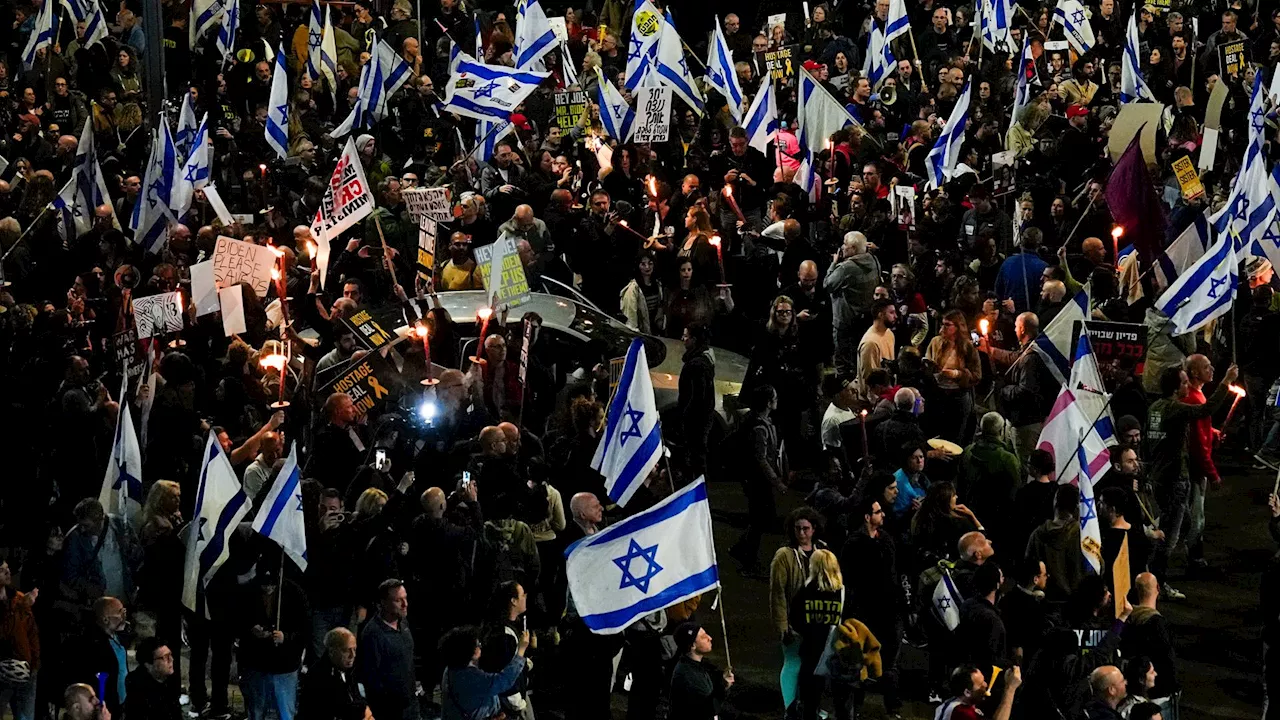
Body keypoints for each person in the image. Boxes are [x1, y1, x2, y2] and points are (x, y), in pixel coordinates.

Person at [729, 385, 787, 574]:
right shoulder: (759, 428)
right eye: (775, 398)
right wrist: (776, 481)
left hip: (756, 479)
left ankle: (741, 548)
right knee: (759, 520)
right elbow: (761, 458)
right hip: (757, 481)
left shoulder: (760, 422)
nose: (777, 401)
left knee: (759, 519)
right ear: (768, 403)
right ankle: (748, 561)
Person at [439, 625, 530, 720]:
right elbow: (503, 681)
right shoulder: (469, 676)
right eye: (477, 645)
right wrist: (521, 650)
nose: (480, 646)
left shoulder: (451, 669)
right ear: (468, 650)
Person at [358, 580, 417, 720]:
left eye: (406, 598)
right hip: (390, 711)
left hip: (411, 705)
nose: (405, 604)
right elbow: (372, 680)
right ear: (383, 603)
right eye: (398, 600)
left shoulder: (403, 622)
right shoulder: (372, 635)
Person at [1121, 573, 1178, 699]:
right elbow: (1168, 661)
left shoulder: (1126, 618)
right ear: (1158, 588)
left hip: (1134, 690)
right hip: (1158, 692)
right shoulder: (1158, 624)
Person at [1025, 485, 1086, 601]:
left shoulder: (1037, 534)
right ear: (1076, 506)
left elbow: (1027, 568)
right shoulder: (1083, 536)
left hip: (1044, 600)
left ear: (1055, 502)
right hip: (1076, 602)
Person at [299, 628, 368, 720]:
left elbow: (355, 698)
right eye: (346, 650)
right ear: (332, 651)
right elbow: (339, 709)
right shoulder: (319, 677)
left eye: (354, 649)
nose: (353, 655)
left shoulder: (348, 668)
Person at [669, 622, 734, 720]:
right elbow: (709, 708)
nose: (710, 638)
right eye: (703, 637)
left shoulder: (697, 665)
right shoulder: (688, 675)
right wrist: (723, 687)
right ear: (693, 645)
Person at [935, 664, 1022, 720]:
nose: (986, 685)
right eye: (981, 685)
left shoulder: (961, 703)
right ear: (967, 692)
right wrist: (1010, 689)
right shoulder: (960, 712)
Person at [124, 638, 179, 720]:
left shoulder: (169, 677)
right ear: (148, 664)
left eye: (170, 655)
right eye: (165, 657)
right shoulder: (137, 688)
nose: (171, 659)